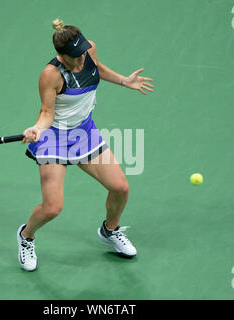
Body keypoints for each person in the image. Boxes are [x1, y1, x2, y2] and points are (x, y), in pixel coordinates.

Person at [17, 19, 153, 271]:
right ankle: (26, 236)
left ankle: (110, 230)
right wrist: (36, 128)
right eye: (74, 57)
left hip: (84, 133)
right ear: (60, 55)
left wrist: (124, 80)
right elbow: (46, 112)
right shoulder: (50, 75)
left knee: (120, 187)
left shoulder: (88, 49)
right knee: (52, 208)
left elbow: (96, 68)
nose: (80, 61)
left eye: (82, 54)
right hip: (53, 139)